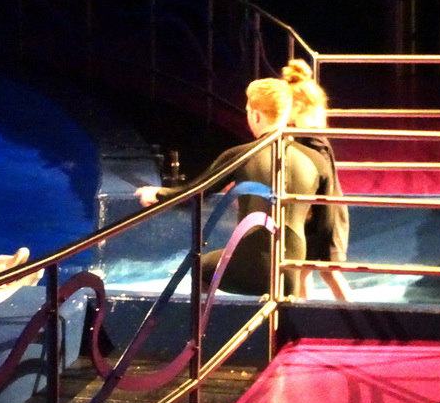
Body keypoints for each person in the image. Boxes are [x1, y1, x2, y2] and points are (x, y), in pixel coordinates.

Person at [136, 77, 334, 297]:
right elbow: (325, 225)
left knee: (201, 269)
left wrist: (158, 194)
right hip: (291, 268)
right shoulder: (316, 159)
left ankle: (206, 329)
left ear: (255, 115)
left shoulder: (241, 154)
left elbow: (195, 192)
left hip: (252, 265)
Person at [281, 59, 352, 301]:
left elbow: (321, 180)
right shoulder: (309, 137)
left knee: (327, 271)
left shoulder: (311, 140)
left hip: (323, 212)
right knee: (304, 269)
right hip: (317, 210)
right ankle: (305, 316)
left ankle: (355, 317)